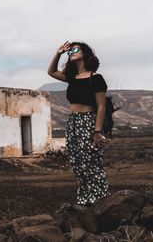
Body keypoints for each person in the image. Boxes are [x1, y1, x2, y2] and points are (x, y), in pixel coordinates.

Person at [47, 41, 110, 206]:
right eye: (70, 51)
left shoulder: (95, 78)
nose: (71, 52)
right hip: (73, 122)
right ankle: (84, 199)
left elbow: (101, 106)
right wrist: (58, 52)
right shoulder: (72, 77)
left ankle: (99, 199)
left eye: (75, 49)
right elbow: (51, 71)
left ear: (85, 53)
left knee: (91, 162)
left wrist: (97, 131)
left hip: (88, 121)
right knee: (77, 162)